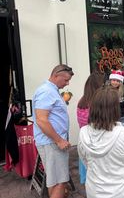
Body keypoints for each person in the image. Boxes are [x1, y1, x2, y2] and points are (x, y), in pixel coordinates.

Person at [78, 85, 124, 198]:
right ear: (115, 108)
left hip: (95, 190)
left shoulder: (83, 132)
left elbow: (85, 161)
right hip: (122, 190)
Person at [32, 64, 74, 198]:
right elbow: (41, 120)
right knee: (59, 182)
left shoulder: (51, 90)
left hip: (51, 143)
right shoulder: (47, 91)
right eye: (65, 80)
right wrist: (59, 140)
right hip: (52, 143)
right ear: (56, 75)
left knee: (55, 180)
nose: (67, 84)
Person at [76, 72, 105, 184]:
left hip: (84, 141)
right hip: (97, 143)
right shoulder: (98, 103)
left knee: (89, 178)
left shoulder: (81, 101)